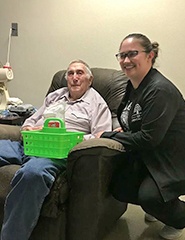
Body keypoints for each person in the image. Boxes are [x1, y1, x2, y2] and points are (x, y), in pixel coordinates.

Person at [0, 59, 112, 240]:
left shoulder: (97, 103)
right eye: (70, 73)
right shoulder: (55, 96)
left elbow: (102, 134)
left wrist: (73, 138)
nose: (74, 77)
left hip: (55, 152)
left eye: (80, 73)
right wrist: (29, 128)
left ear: (89, 80)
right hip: (28, 145)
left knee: (32, 174)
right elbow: (30, 120)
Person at [98, 33, 185, 239]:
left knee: (149, 197)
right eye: (122, 55)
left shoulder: (159, 90)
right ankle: (162, 206)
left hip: (172, 159)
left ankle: (178, 217)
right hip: (148, 155)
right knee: (119, 188)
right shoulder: (134, 85)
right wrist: (124, 133)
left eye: (132, 54)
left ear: (150, 55)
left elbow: (149, 138)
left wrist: (110, 135)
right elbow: (133, 122)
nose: (126, 60)